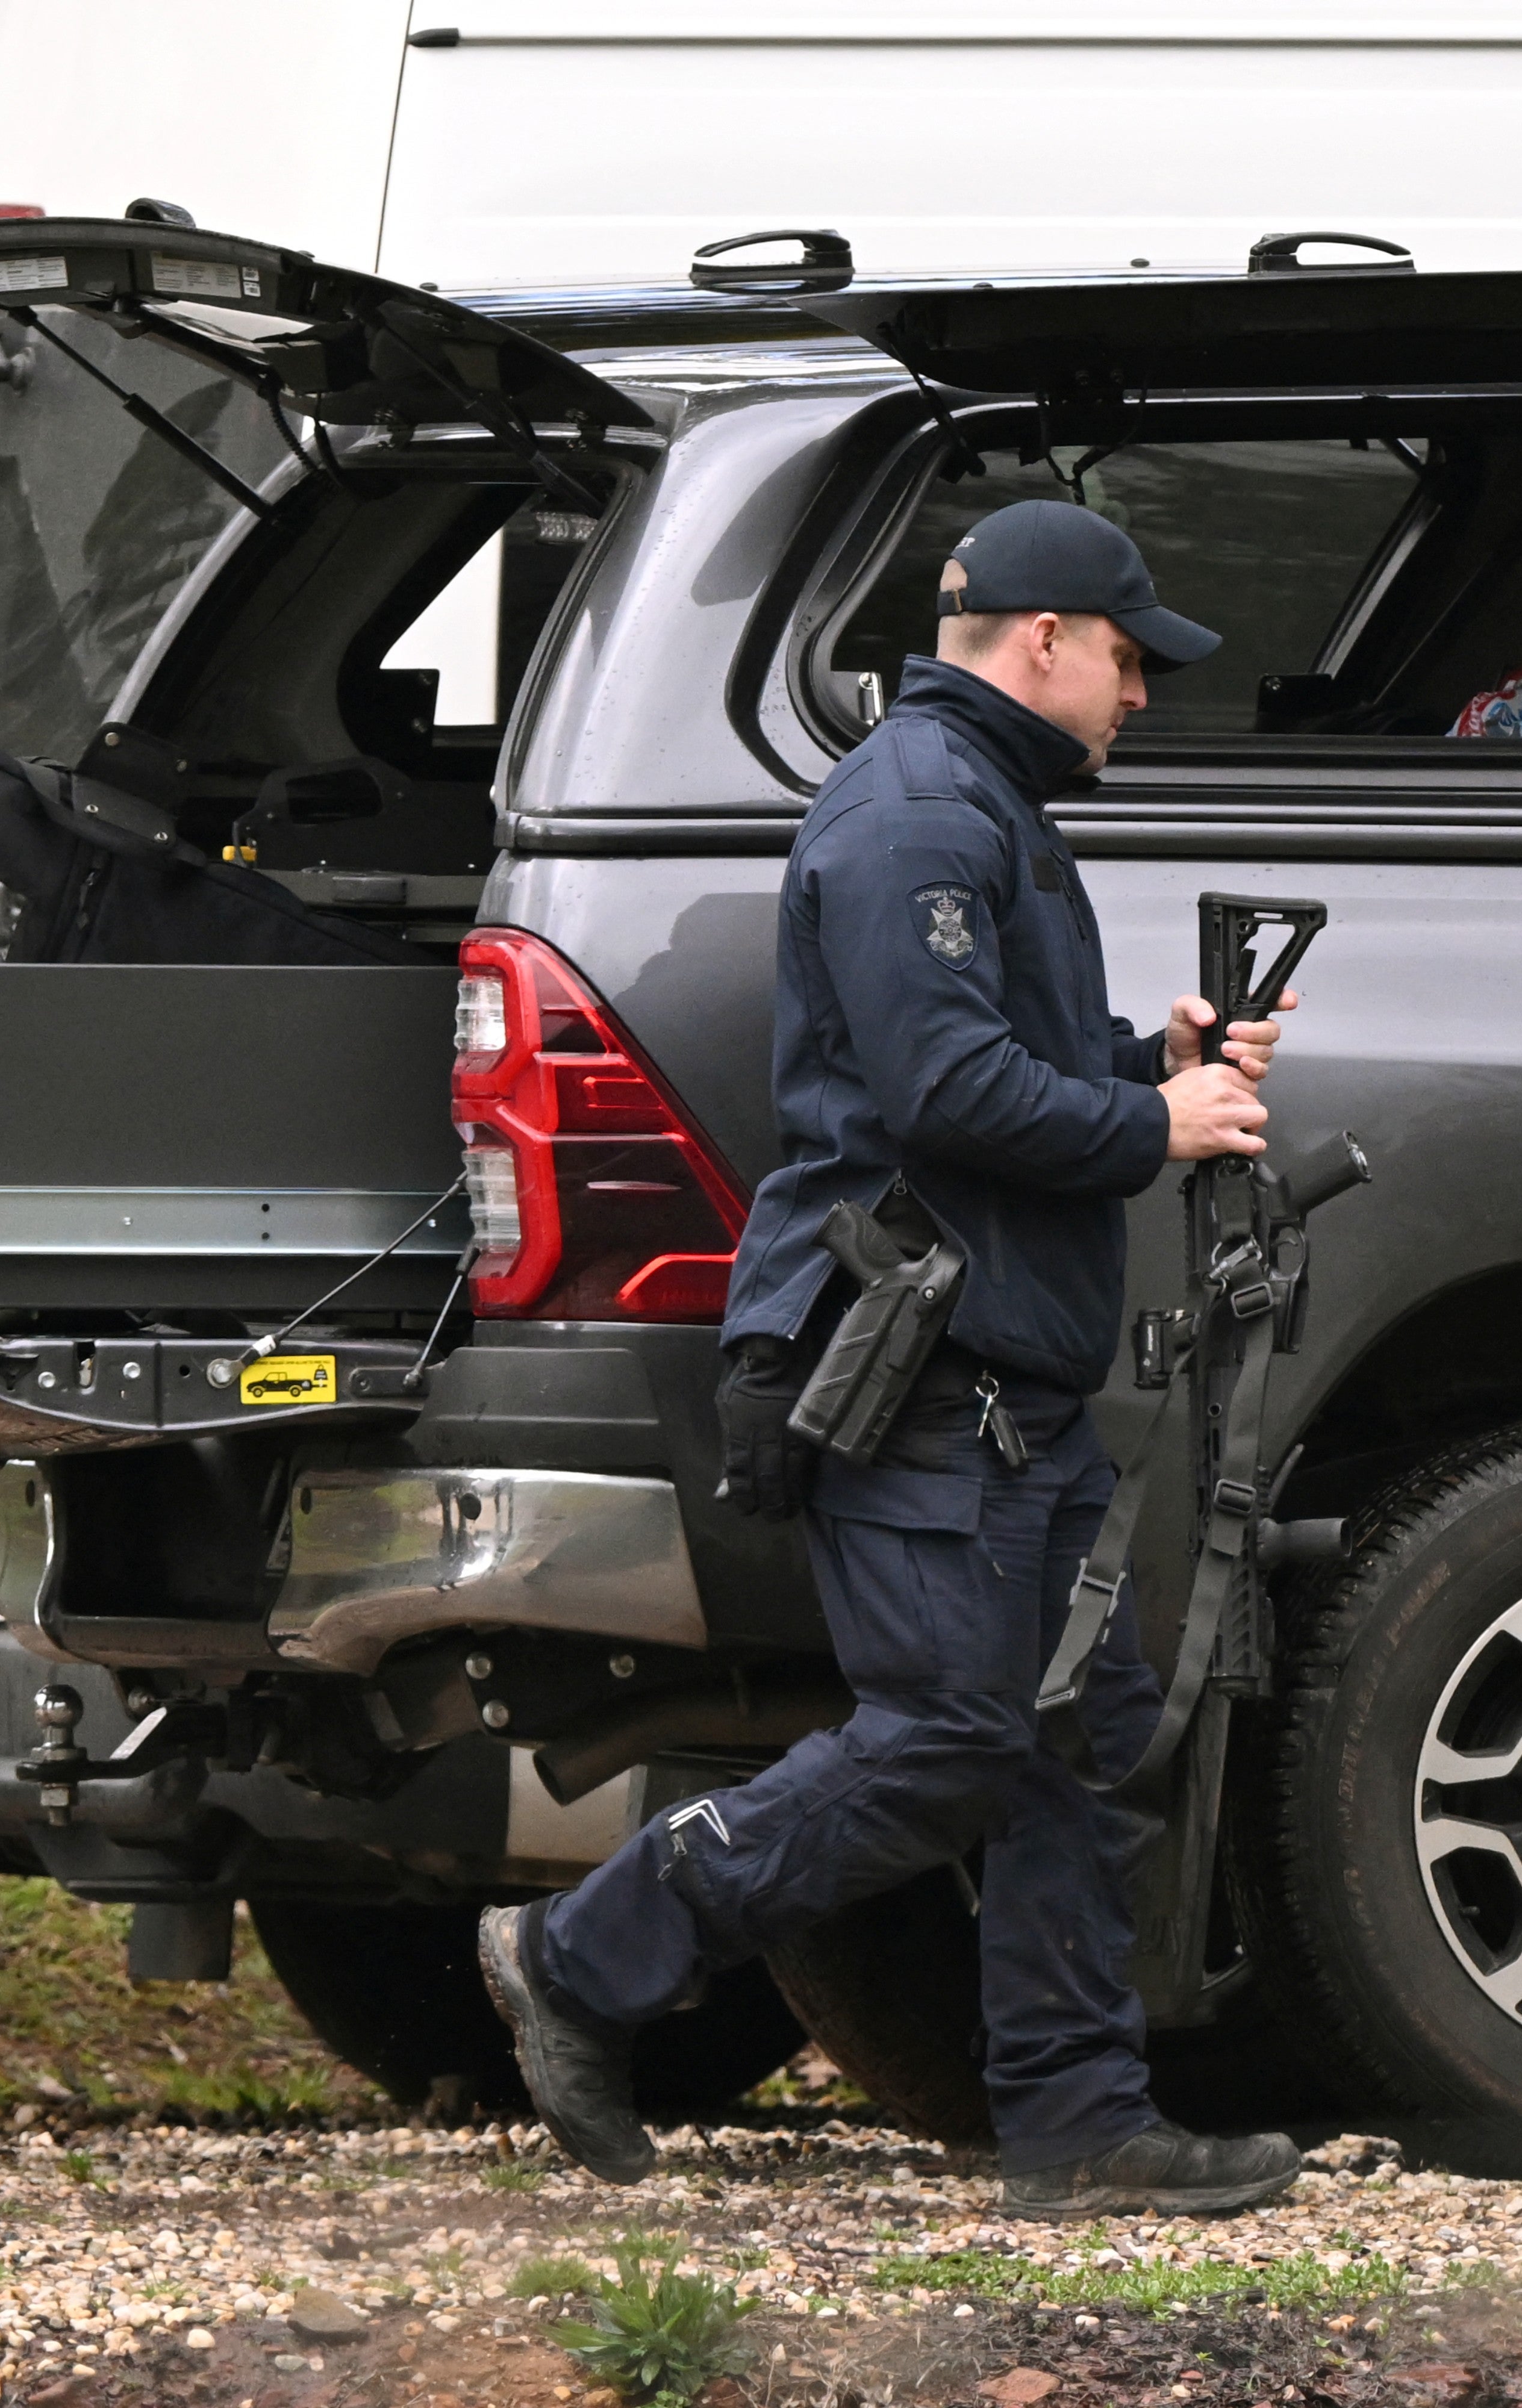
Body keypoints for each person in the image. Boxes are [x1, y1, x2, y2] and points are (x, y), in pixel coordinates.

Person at [479, 499, 1308, 2219]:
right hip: (929, 1376)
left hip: (999, 1378)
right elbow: (939, 1102)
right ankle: (578, 1955)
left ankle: (1080, 2129)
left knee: (1075, 1735)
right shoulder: (924, 816)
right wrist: (1155, 1120)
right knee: (945, 1737)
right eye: (1132, 657)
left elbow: (968, 1054)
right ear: (1044, 639)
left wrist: (1123, 1049)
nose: (1141, 693)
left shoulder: (975, 804)